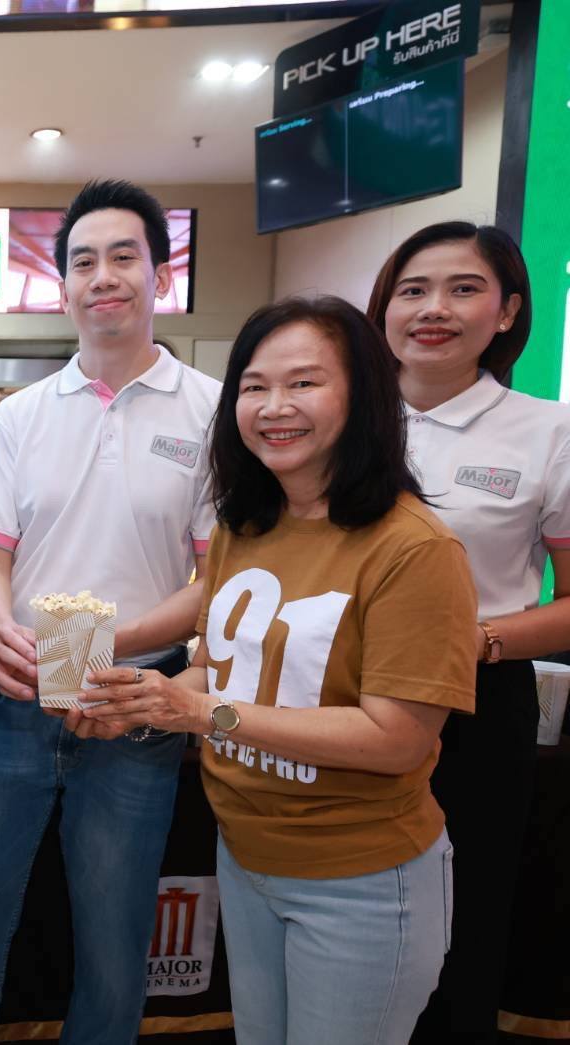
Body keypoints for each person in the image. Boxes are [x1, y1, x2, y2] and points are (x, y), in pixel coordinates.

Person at [77, 295, 477, 1044]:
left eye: (304, 382)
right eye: (254, 386)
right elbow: (220, 670)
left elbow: (396, 738)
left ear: (362, 394)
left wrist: (202, 714)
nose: (273, 407)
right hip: (246, 856)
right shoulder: (245, 523)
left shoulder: (415, 549)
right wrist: (141, 700)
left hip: (359, 877)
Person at [0, 179, 221, 1044]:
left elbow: (215, 580)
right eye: (84, 261)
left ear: (158, 276)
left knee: (115, 934)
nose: (103, 276)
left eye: (123, 257)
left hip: (136, 701)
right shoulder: (18, 415)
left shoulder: (211, 410)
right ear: (61, 286)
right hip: (11, 697)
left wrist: (105, 645)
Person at [367, 222, 570, 1044]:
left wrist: (477, 642)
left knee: (462, 919)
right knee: (342, 909)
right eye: (412, 290)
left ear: (507, 310)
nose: (433, 309)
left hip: (475, 701)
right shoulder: (341, 419)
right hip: (334, 694)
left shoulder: (546, 431)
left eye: (462, 289)